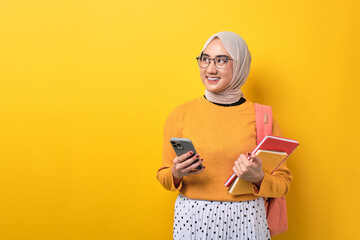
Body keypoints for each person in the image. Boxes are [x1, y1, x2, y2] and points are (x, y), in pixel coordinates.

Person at [156, 31, 292, 239]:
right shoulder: (180, 115)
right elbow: (163, 176)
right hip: (192, 220)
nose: (210, 69)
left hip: (248, 220)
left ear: (240, 65)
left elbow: (283, 183)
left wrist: (259, 178)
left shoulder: (263, 118)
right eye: (205, 59)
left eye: (221, 60)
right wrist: (176, 172)